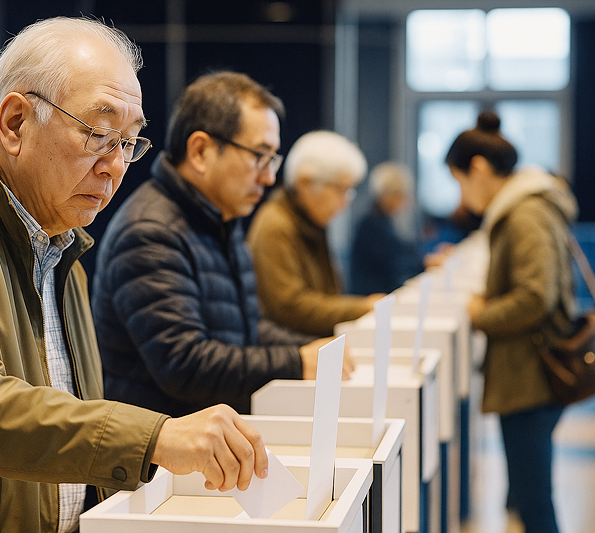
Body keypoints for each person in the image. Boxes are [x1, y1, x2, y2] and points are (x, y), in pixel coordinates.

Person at [0, 18, 270, 533]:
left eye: (129, 143)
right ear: (16, 122)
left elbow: (68, 432)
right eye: (99, 134)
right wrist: (155, 438)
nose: (114, 165)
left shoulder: (65, 253)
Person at [92, 72, 353, 418]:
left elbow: (246, 327)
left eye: (273, 159)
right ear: (200, 151)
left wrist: (310, 350)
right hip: (160, 463)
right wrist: (295, 361)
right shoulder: (151, 230)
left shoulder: (221, 219)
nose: (269, 177)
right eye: (259, 156)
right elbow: (184, 365)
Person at [446, 111, 578, 533]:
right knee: (531, 497)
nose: (461, 195)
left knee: (535, 505)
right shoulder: (525, 207)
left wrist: (481, 313)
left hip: (530, 379)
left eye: (459, 180)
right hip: (528, 375)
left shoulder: (524, 214)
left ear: (479, 169)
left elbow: (535, 296)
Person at [245, 130, 384, 336]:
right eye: (340, 190)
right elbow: (290, 308)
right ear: (306, 183)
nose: (345, 202)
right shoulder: (275, 225)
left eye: (349, 191)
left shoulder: (309, 221)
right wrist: (362, 308)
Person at [349, 161, 434, 295]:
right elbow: (394, 266)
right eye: (401, 195)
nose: (405, 201)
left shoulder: (382, 220)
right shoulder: (372, 225)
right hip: (373, 296)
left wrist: (424, 262)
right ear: (386, 195)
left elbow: (402, 254)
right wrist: (423, 265)